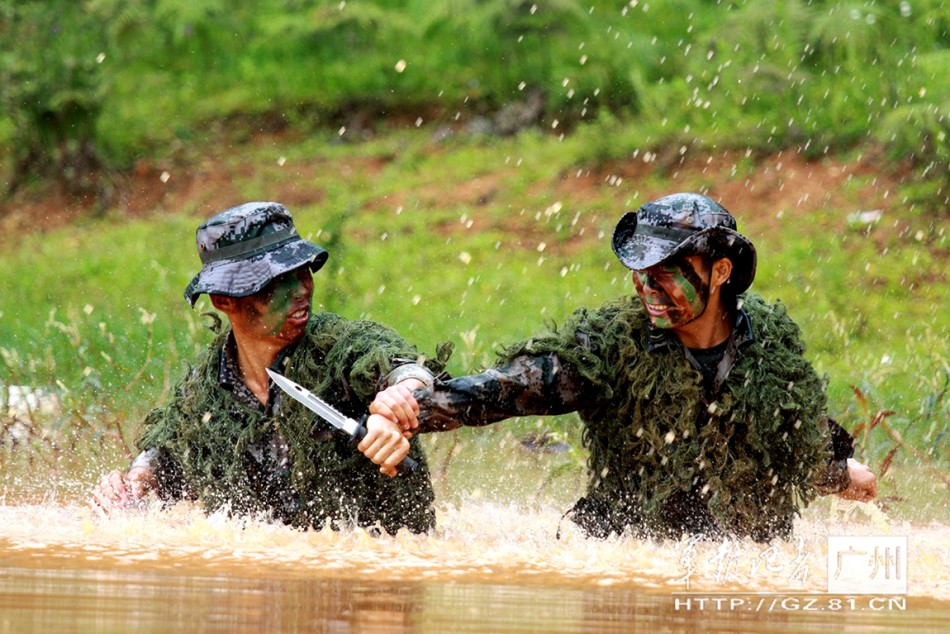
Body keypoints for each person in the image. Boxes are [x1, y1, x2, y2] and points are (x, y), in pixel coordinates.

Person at [381, 192, 877, 542]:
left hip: (736, 558)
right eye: (641, 274)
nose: (648, 290)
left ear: (721, 271)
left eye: (666, 274)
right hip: (623, 543)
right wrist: (410, 411)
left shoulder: (772, 348)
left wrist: (841, 474)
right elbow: (510, 388)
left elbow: (793, 446)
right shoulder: (612, 345)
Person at [93, 202, 449, 535]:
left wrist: (400, 400)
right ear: (224, 300)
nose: (300, 290)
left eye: (302, 272)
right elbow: (169, 449)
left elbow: (399, 366)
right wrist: (133, 485)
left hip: (381, 570)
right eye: (277, 282)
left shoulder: (337, 346)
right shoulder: (207, 388)